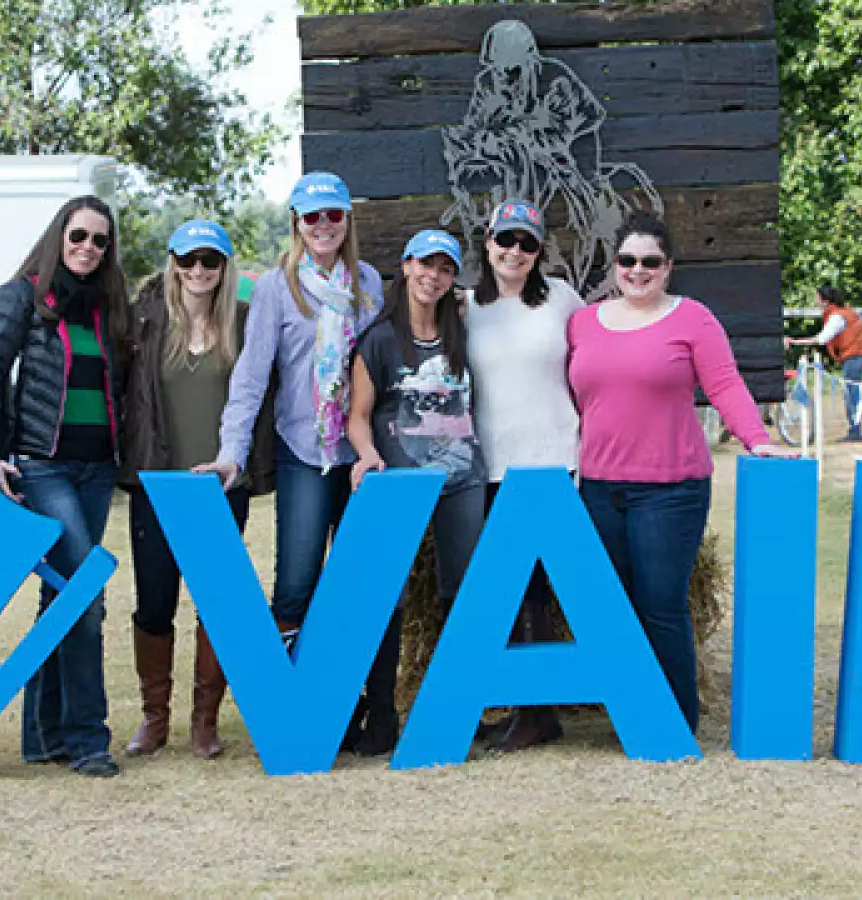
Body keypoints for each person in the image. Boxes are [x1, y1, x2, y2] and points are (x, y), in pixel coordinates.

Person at [567, 211, 788, 734]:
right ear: (613, 265)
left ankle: (673, 722)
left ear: (668, 268)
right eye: (627, 260)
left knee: (661, 606)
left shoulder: (693, 320)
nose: (636, 271)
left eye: (649, 262)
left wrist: (757, 439)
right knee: (614, 606)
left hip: (671, 489)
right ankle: (630, 714)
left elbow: (726, 386)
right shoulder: (582, 322)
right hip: (598, 487)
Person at [0, 195, 131, 778]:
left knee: (60, 597)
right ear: (59, 235)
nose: (88, 248)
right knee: (85, 589)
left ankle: (42, 734)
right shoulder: (21, 298)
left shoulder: (108, 309)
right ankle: (87, 738)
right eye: (79, 235)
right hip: (43, 466)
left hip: (96, 469)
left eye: (100, 241)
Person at [195, 172, 382, 662]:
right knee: (297, 580)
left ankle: (350, 700)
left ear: (347, 219)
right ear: (297, 223)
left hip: (363, 452)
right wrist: (230, 453)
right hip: (305, 448)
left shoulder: (368, 283)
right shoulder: (276, 288)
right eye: (312, 216)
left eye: (333, 214)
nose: (324, 225)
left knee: (359, 581)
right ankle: (292, 703)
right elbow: (251, 378)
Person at [120, 220, 272, 760]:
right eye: (189, 259)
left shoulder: (246, 323)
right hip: (158, 484)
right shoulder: (146, 320)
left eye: (211, 260)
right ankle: (153, 718)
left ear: (225, 266)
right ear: (174, 262)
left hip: (221, 484)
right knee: (154, 604)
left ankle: (204, 721)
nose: (199, 270)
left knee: (217, 603)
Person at [346, 229, 487, 756]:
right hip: (400, 483)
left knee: (461, 594)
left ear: (454, 279)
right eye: (425, 264)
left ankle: (458, 709)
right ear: (405, 267)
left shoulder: (464, 333)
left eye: (445, 268)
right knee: (389, 595)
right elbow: (358, 418)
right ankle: (381, 713)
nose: (434, 276)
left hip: (462, 480)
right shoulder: (379, 339)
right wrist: (367, 455)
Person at [463, 198, 585, 753]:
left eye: (527, 243)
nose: (514, 251)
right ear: (487, 243)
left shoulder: (563, 299)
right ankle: (524, 705)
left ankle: (539, 711)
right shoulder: (465, 308)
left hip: (558, 458)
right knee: (510, 588)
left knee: (544, 587)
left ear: (540, 251)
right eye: (505, 240)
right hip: (492, 464)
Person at [785, 285, 862, 442]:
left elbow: (821, 339)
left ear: (825, 301)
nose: (815, 301)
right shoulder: (844, 312)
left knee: (851, 394)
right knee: (854, 392)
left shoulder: (837, 317)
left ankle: (856, 431)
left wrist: (794, 341)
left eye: (817, 298)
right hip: (858, 354)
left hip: (854, 356)